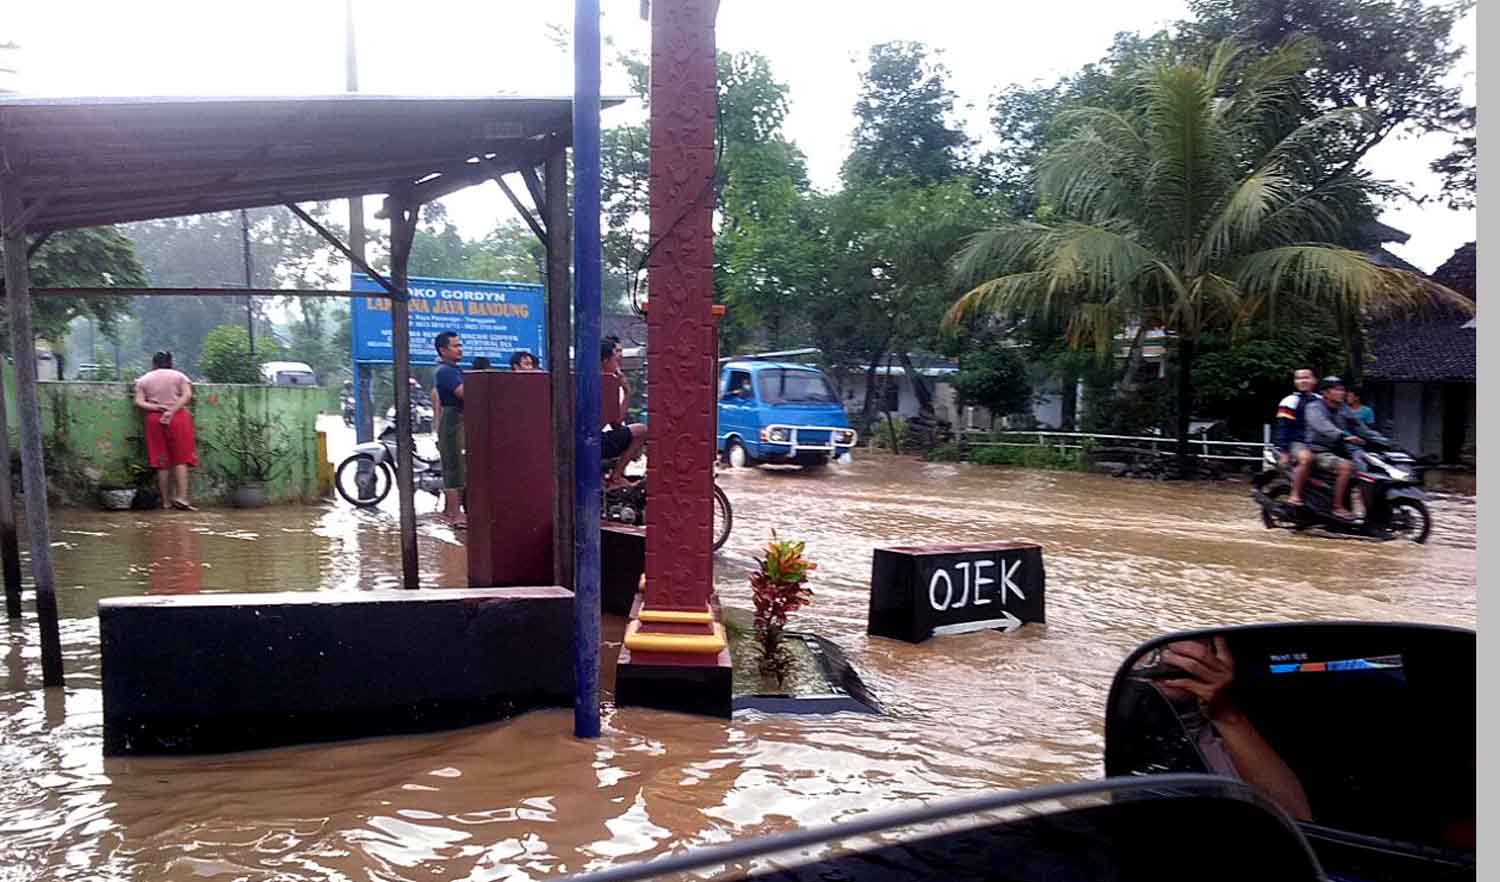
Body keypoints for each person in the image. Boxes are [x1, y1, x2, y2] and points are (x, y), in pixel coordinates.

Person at [1151, 637, 1313, 822]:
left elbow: (1295, 818)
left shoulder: (1218, 733)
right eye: (1155, 649)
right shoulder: (1129, 703)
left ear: (1219, 653)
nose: (1168, 656)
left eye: (1190, 642)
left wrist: (1224, 713)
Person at [133, 351, 199, 511]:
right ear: (170, 362)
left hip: (154, 419)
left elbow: (139, 402)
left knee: (161, 460)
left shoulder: (144, 379)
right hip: (178, 418)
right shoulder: (179, 376)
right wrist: (172, 411)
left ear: (154, 363)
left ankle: (165, 502)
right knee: (181, 459)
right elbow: (187, 396)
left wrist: (158, 407)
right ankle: (182, 498)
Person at [1295, 376, 1364, 520]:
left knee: (1363, 466)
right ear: (1325, 393)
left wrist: (1386, 442)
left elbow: (1360, 427)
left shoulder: (1343, 408)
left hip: (1337, 450)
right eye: (1337, 390)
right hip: (1317, 450)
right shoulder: (1314, 407)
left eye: (1343, 390)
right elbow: (1323, 426)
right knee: (1346, 467)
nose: (1342, 393)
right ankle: (1337, 507)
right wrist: (1343, 436)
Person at [601, 337, 646, 490]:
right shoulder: (606, 383)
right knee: (641, 431)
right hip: (595, 441)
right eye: (616, 357)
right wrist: (627, 392)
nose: (619, 360)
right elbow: (616, 422)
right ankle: (616, 477)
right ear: (606, 360)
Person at [431, 331, 466, 526]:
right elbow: (463, 393)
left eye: (460, 345)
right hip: (452, 421)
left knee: (459, 466)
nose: (460, 349)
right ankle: (454, 514)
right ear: (443, 350)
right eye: (455, 346)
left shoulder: (454, 369)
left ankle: (449, 511)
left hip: (457, 419)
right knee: (454, 468)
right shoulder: (446, 371)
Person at [1274, 368, 1317, 473]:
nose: (1302, 381)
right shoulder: (1290, 401)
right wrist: (1284, 452)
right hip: (1297, 442)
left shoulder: (1320, 400)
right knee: (1306, 459)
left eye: (1306, 377)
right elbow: (1283, 428)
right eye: (1298, 378)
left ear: (1315, 380)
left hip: (1319, 443)